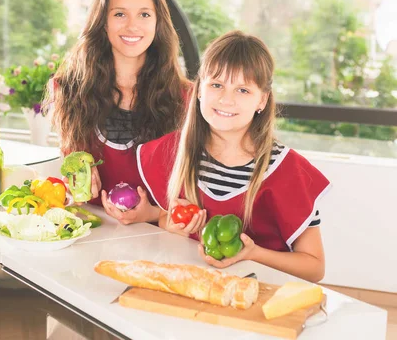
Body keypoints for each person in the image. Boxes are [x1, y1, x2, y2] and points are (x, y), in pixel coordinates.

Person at [137, 31, 330, 282]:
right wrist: (169, 225)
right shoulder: (172, 152)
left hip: (258, 298)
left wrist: (253, 253)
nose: (226, 99)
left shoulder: (288, 170)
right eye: (216, 85)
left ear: (262, 100)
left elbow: (314, 268)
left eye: (242, 90)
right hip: (192, 288)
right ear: (198, 90)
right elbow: (162, 224)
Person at [45, 0, 189, 224]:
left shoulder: (186, 98)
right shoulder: (68, 89)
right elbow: (70, 167)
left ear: (158, 23)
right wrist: (78, 168)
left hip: (162, 239)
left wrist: (154, 214)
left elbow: (194, 192)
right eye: (120, 14)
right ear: (103, 22)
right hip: (93, 231)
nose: (132, 26)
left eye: (144, 14)